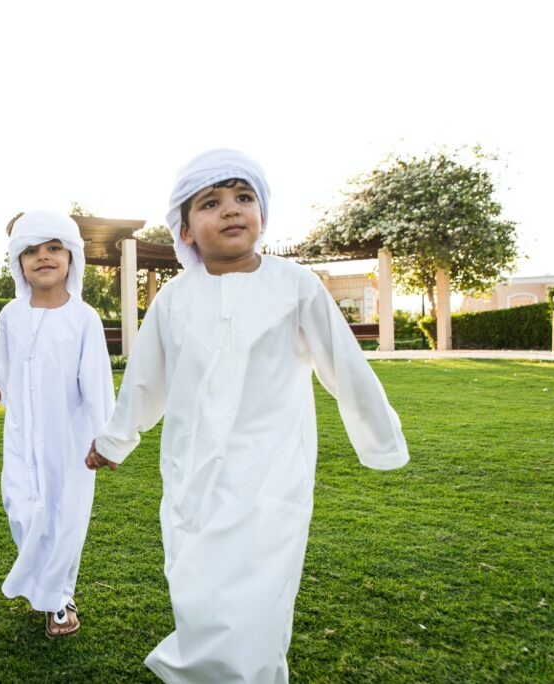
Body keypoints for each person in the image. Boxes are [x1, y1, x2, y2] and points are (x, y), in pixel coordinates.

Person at [85, 149, 409, 682]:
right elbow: (146, 380)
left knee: (260, 589)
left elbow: (344, 365)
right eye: (211, 202)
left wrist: (379, 440)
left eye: (243, 197)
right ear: (185, 231)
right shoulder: (173, 300)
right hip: (192, 471)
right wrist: (115, 439)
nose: (232, 210)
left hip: (271, 468)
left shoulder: (295, 285)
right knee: (197, 582)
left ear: (261, 212)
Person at [0, 210, 114, 638]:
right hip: (21, 435)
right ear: (18, 262)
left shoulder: (84, 317)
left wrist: (107, 438)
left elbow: (98, 383)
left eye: (54, 248)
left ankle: (58, 597)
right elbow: (5, 365)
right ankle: (44, 583)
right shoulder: (12, 315)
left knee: (63, 514)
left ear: (72, 258)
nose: (43, 257)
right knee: (21, 508)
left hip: (67, 438)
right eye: (31, 251)